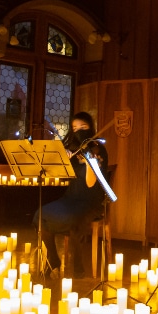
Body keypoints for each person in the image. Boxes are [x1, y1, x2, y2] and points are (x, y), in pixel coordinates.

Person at [34, 111, 110, 278]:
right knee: (41, 216)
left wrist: (91, 164)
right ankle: (53, 259)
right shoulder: (73, 150)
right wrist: (63, 158)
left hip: (91, 200)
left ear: (91, 128)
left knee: (74, 219)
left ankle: (78, 265)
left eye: (83, 127)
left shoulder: (98, 150)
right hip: (71, 197)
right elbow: (59, 174)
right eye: (74, 128)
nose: (79, 132)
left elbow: (90, 185)